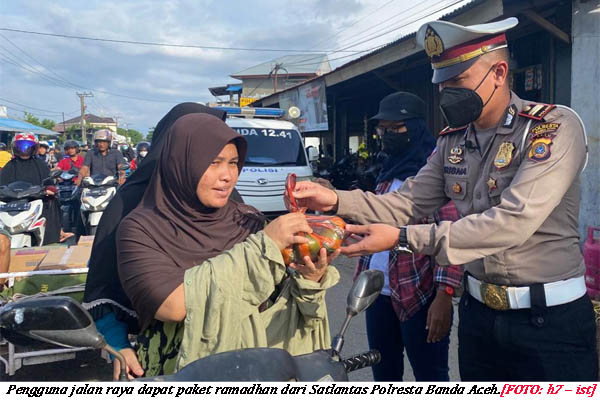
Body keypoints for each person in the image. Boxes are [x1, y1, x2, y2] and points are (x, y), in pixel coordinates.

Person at [289, 17, 595, 381]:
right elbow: (405, 203)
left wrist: (404, 238)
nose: (445, 93)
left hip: (549, 325)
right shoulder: (453, 143)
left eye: (458, 81)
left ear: (498, 72)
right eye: (441, 83)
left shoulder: (552, 128)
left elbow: (513, 222)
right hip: (479, 317)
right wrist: (333, 199)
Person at [117, 113, 339, 377]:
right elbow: (173, 305)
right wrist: (264, 246)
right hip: (187, 372)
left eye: (233, 163)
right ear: (181, 163)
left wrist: (310, 277)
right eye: (214, 162)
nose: (227, 175)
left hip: (262, 369)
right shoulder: (140, 229)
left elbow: (281, 293)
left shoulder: (247, 218)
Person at [82, 103, 247, 380]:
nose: (227, 174)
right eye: (210, 157)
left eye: (232, 161)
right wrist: (117, 345)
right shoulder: (130, 207)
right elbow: (103, 283)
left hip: (238, 351)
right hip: (166, 354)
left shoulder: (232, 203)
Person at [358, 91, 462, 381]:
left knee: (430, 375)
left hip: (422, 295)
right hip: (379, 294)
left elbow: (452, 235)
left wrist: (445, 295)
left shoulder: (435, 171)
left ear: (415, 127)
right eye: (383, 129)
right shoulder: (388, 170)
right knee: (384, 374)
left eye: (397, 128)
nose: (388, 135)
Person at [0, 133, 64, 245]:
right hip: (11, 203)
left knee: (53, 201)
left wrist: (49, 189)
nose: (24, 150)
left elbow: (48, 181)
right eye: (21, 146)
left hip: (34, 200)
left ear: (34, 148)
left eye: (28, 147)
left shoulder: (40, 164)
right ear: (15, 148)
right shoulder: (9, 165)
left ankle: (55, 234)